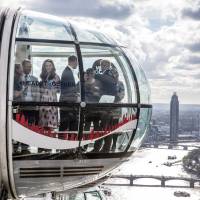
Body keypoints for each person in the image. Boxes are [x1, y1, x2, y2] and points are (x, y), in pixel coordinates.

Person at [59, 55, 79, 132]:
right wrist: (76, 97)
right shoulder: (67, 73)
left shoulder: (67, 71)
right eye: (77, 62)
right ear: (73, 61)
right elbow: (68, 90)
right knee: (66, 126)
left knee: (66, 126)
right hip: (67, 104)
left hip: (67, 103)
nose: (77, 64)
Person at [39, 59, 60, 129]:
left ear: (53, 66)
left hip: (51, 103)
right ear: (44, 67)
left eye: (50, 65)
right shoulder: (43, 77)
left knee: (51, 125)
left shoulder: (56, 77)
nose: (48, 67)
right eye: (46, 66)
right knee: (43, 126)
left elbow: (58, 90)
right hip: (43, 103)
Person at [21, 59, 40, 125]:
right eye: (27, 66)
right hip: (21, 106)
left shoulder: (35, 79)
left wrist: (37, 106)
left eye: (30, 67)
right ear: (22, 67)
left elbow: (37, 93)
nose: (29, 68)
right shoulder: (17, 78)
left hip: (32, 106)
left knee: (31, 126)